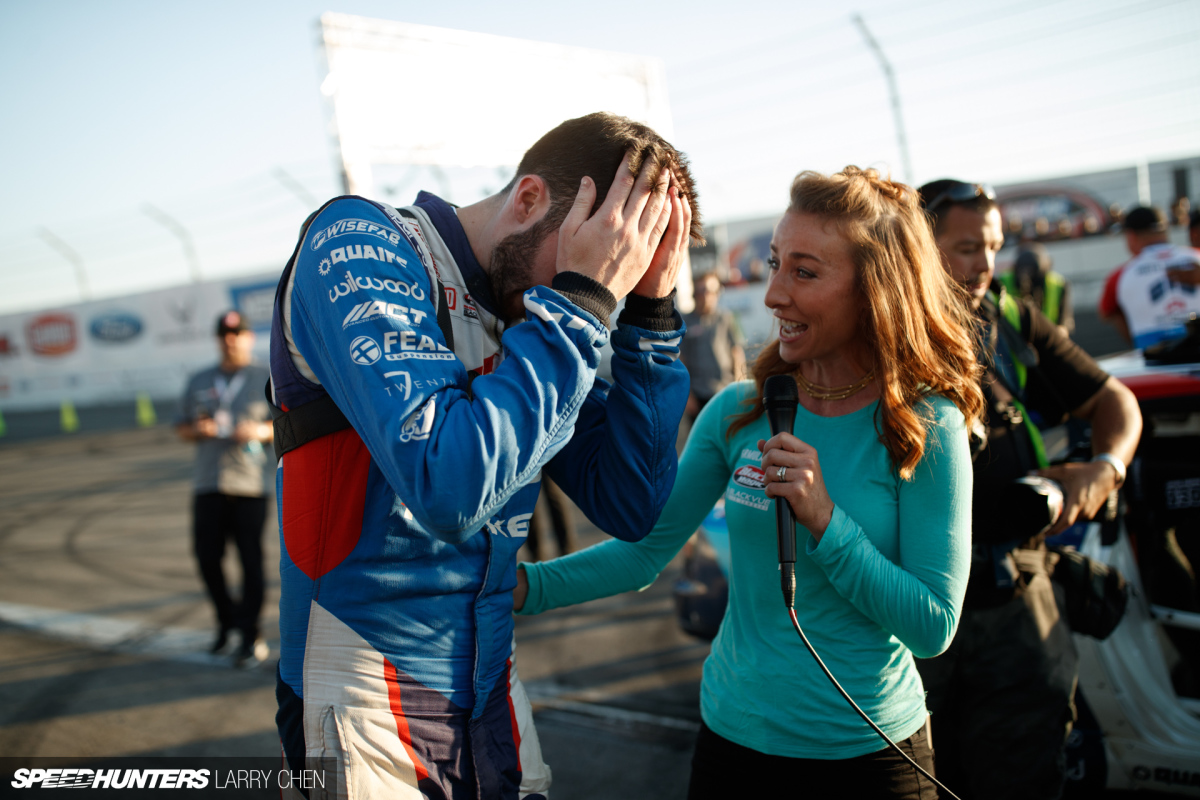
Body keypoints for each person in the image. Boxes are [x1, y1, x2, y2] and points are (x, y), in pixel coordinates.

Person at [517, 167, 984, 799]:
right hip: (732, 748)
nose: (773, 295)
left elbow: (932, 626)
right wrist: (518, 588)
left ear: (876, 291)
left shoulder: (926, 424)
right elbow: (645, 551)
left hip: (871, 756)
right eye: (774, 264)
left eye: (805, 272)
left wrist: (825, 521)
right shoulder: (739, 410)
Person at [270, 112, 699, 799]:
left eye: (620, 269)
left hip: (492, 690)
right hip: (362, 695)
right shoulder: (361, 239)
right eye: (590, 254)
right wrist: (583, 302)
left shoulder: (540, 316)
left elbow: (629, 503)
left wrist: (649, 319)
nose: (594, 283)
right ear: (527, 199)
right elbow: (448, 485)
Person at [915, 179, 1142, 800]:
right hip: (908, 617)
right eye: (966, 248)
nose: (985, 264)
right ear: (918, 246)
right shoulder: (873, 335)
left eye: (993, 246)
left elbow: (1115, 401)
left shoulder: (1007, 318)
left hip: (1016, 603)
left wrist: (1105, 470)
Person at [175, 309, 274, 666]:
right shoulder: (200, 378)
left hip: (249, 483)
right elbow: (181, 426)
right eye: (224, 335)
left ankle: (251, 633)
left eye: (237, 334)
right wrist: (195, 430)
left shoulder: (266, 375)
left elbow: (287, 422)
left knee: (250, 562)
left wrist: (261, 431)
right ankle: (226, 621)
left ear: (248, 337)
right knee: (206, 559)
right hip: (208, 481)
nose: (230, 340)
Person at [1098, 204, 1200, 348]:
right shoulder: (1196, 257)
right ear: (1165, 230)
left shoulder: (1120, 276)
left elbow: (1107, 313)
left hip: (1157, 360)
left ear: (1131, 236)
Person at [679, 271, 745, 422]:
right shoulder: (685, 322)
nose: (706, 295)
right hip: (698, 395)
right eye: (702, 290)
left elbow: (737, 354)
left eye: (710, 291)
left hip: (725, 392)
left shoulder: (726, 318)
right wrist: (687, 396)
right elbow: (680, 361)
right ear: (694, 293)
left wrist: (740, 388)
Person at [999, 243, 1073, 334]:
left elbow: (1063, 328)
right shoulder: (1003, 282)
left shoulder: (1059, 285)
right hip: (1013, 342)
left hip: (1047, 341)